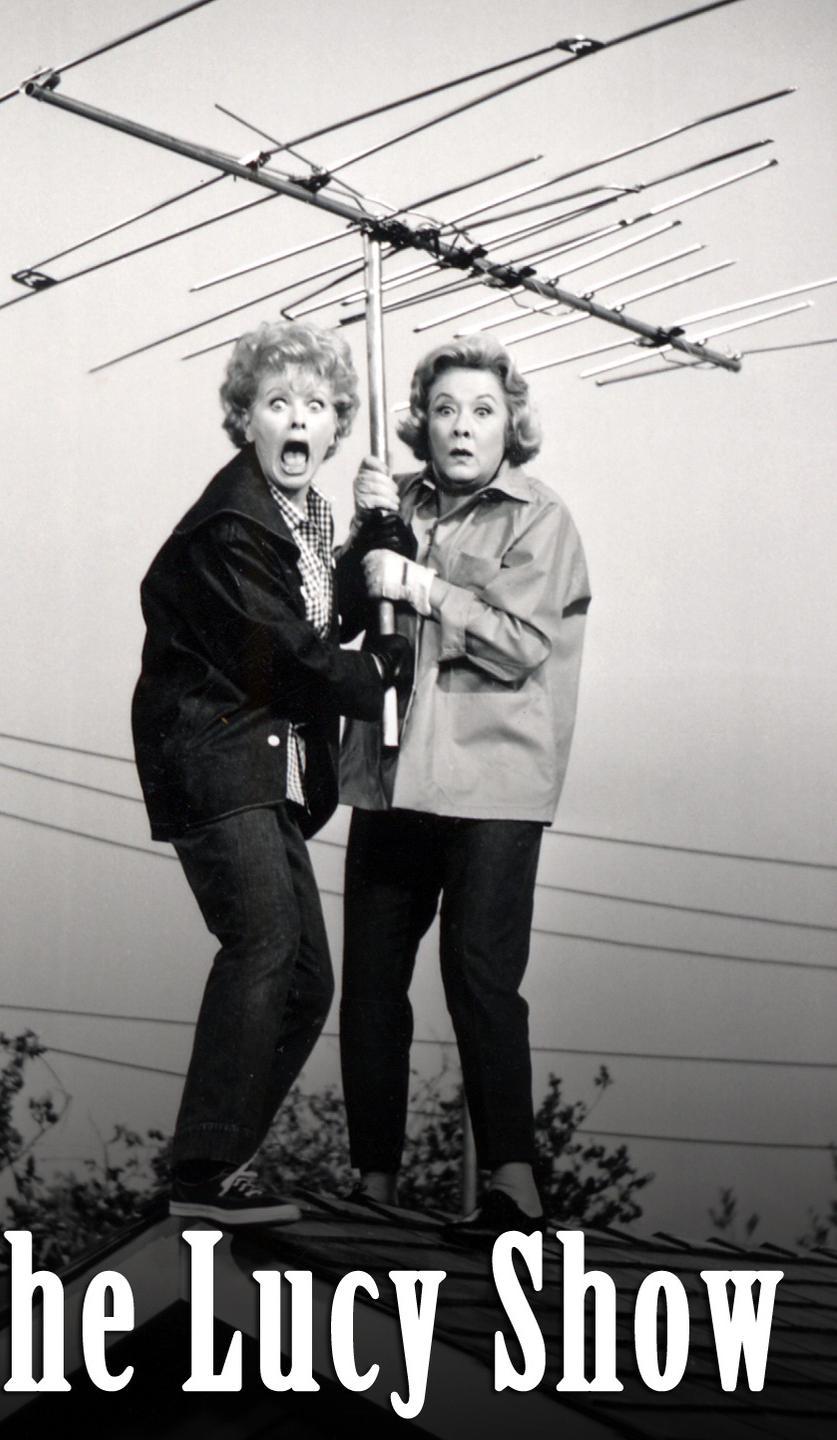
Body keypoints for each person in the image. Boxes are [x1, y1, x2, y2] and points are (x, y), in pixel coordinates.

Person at [131, 320, 411, 1225]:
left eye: (318, 407)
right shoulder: (232, 524)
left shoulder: (307, 518)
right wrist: (380, 676)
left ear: (336, 428)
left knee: (306, 982)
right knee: (262, 946)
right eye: (278, 403)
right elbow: (285, 656)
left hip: (267, 765)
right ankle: (205, 1170)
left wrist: (384, 525)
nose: (298, 420)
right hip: (216, 759)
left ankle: (224, 1163)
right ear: (243, 419)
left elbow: (339, 603)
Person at [337, 334, 590, 1238]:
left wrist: (426, 585)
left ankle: (514, 1184)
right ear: (421, 423)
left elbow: (523, 643)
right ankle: (373, 1183)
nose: (461, 426)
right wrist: (366, 527)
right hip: (394, 777)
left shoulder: (539, 519)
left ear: (510, 425)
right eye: (444, 409)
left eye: (482, 410)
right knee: (368, 983)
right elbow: (343, 618)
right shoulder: (399, 504)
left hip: (492, 784)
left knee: (479, 977)